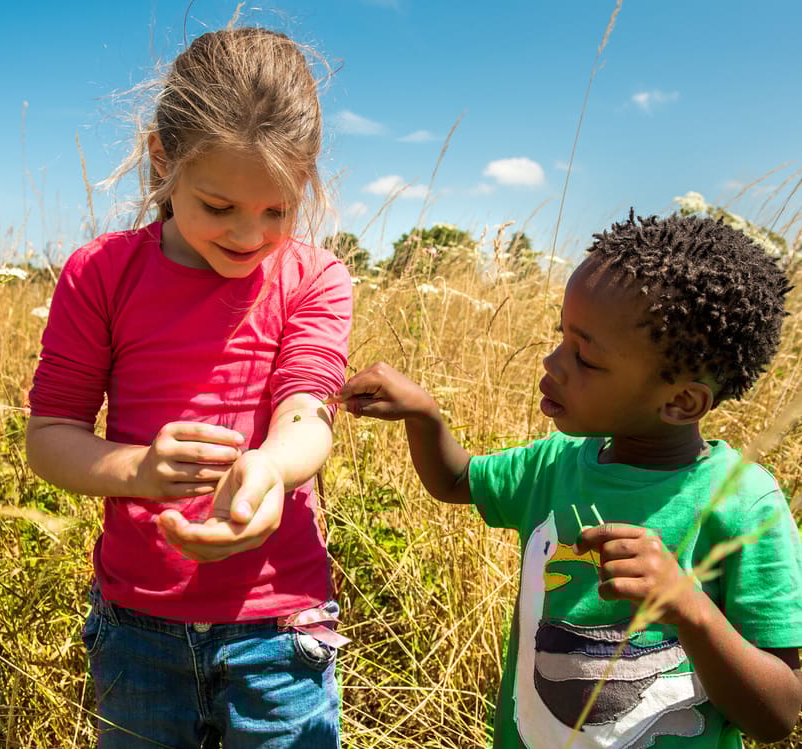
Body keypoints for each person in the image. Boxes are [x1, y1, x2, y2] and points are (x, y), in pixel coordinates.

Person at [328, 212, 802, 748]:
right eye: (561, 338)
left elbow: (777, 714)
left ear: (681, 401)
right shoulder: (553, 465)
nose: (552, 363)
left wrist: (690, 609)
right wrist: (425, 415)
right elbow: (457, 480)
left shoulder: (745, 503)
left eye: (586, 358)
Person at [25, 26, 352, 748]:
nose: (250, 235)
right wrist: (139, 470)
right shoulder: (101, 273)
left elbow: (307, 409)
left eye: (277, 210)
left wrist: (269, 468)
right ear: (163, 159)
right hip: (136, 627)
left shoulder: (315, 278)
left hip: (280, 628)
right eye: (218, 206)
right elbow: (49, 436)